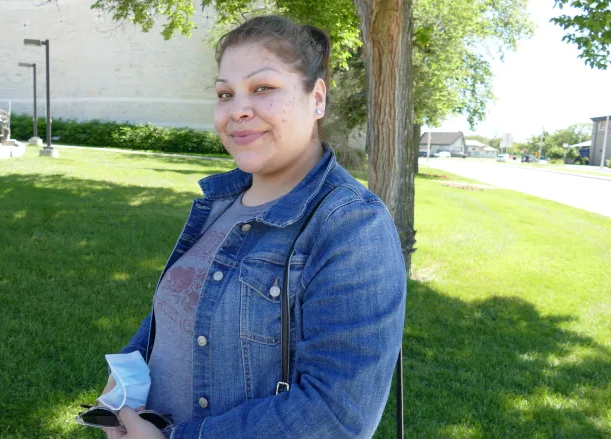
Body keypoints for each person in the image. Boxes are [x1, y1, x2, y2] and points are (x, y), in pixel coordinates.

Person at [102, 15, 406, 439]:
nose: (238, 109)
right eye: (225, 94)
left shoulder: (351, 225)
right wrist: (123, 382)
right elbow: (177, 312)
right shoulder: (220, 203)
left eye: (263, 88)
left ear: (317, 98)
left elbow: (337, 417)